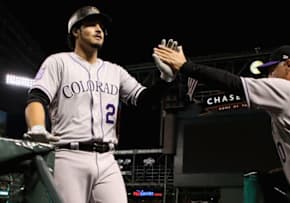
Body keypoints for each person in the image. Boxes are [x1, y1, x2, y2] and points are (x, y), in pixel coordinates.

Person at [153, 40, 290, 203]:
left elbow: (232, 83)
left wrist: (185, 66)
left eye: (272, 69)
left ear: (289, 65)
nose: (269, 75)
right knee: (267, 181)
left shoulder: (289, 90)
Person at [23, 6, 176, 203]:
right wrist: (36, 126)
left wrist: (165, 80)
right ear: (75, 31)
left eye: (102, 27)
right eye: (91, 25)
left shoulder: (115, 71)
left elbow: (145, 100)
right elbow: (36, 97)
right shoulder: (57, 62)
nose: (99, 30)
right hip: (69, 156)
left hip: (107, 159)